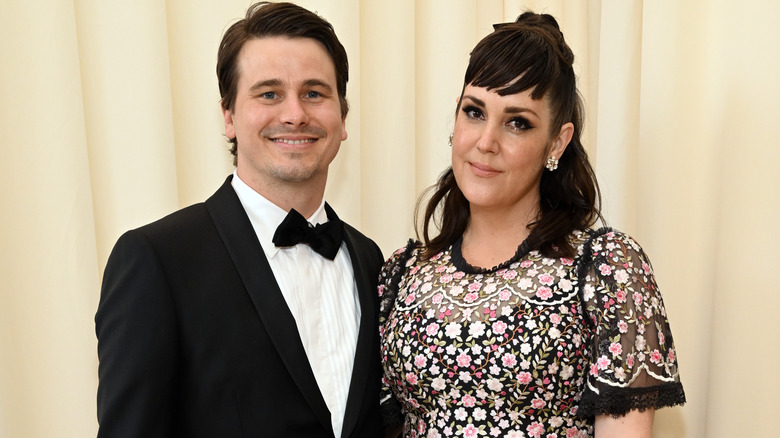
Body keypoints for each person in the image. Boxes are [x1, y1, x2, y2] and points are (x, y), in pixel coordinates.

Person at [378, 12, 685, 438]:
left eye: (517, 122)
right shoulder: (402, 273)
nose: (486, 142)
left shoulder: (608, 268)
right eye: (474, 112)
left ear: (556, 142)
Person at [95, 2, 384, 437]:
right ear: (228, 116)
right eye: (269, 93)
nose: (294, 114)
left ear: (343, 116)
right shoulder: (156, 260)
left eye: (314, 93)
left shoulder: (370, 259)